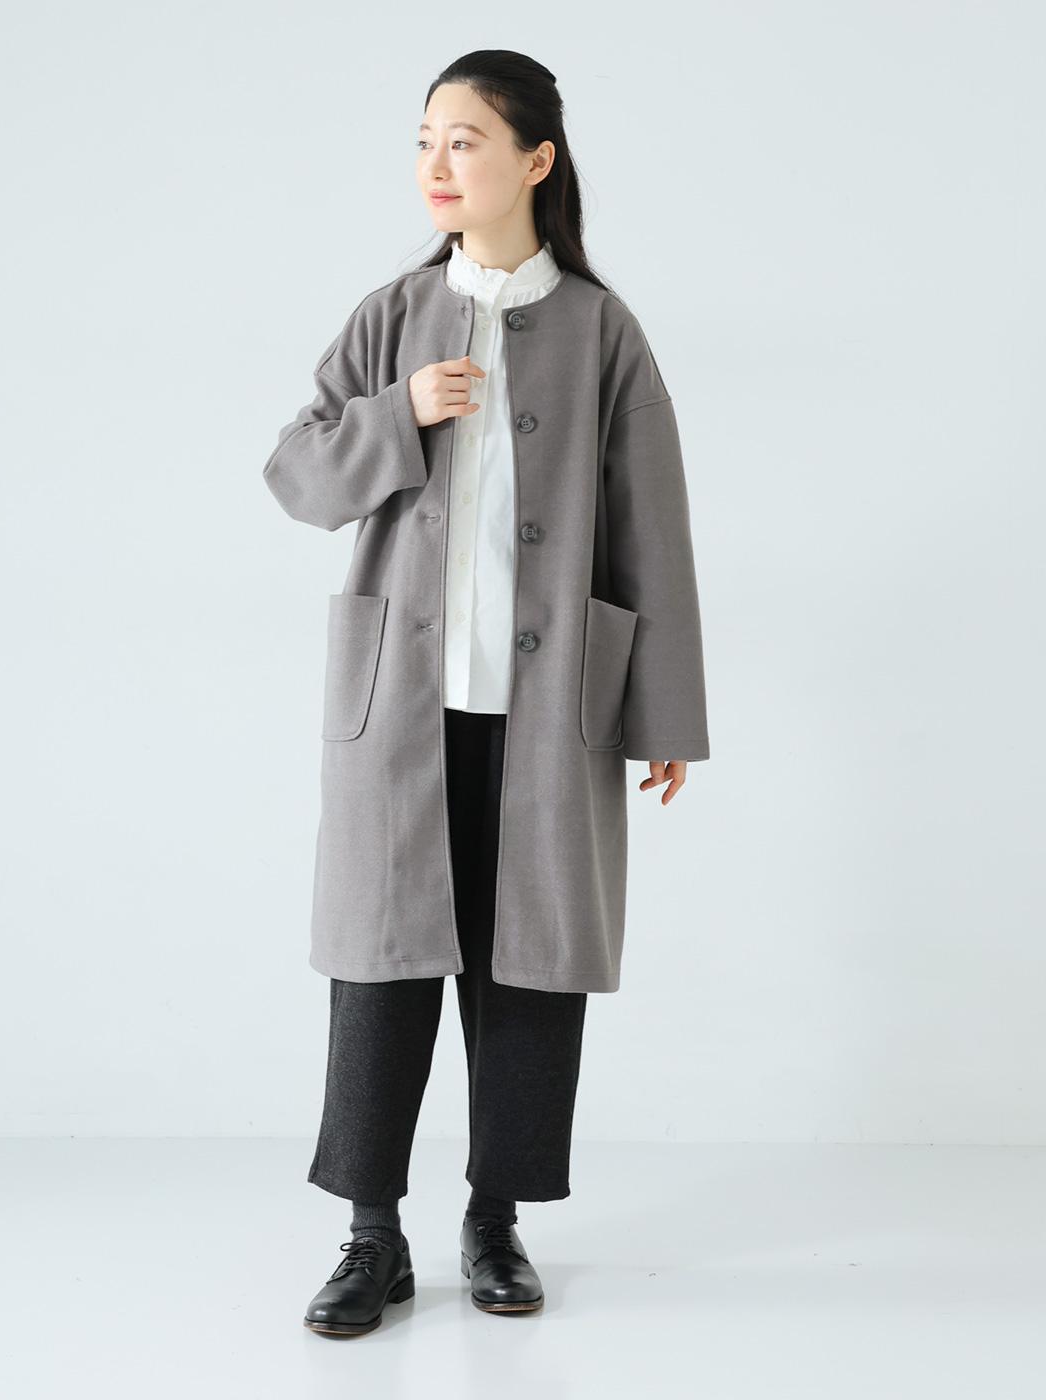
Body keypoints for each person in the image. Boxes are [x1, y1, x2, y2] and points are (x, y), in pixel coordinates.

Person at [263, 49, 710, 1337]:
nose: (437, 165)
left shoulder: (603, 333)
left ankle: (494, 1220)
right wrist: (397, 414)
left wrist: (663, 716)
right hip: (397, 709)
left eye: (463, 140)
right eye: (425, 142)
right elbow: (295, 473)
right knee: (382, 966)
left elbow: (652, 532)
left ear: (536, 160)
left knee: (529, 970)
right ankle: (371, 1235)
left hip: (547, 713)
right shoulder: (393, 316)